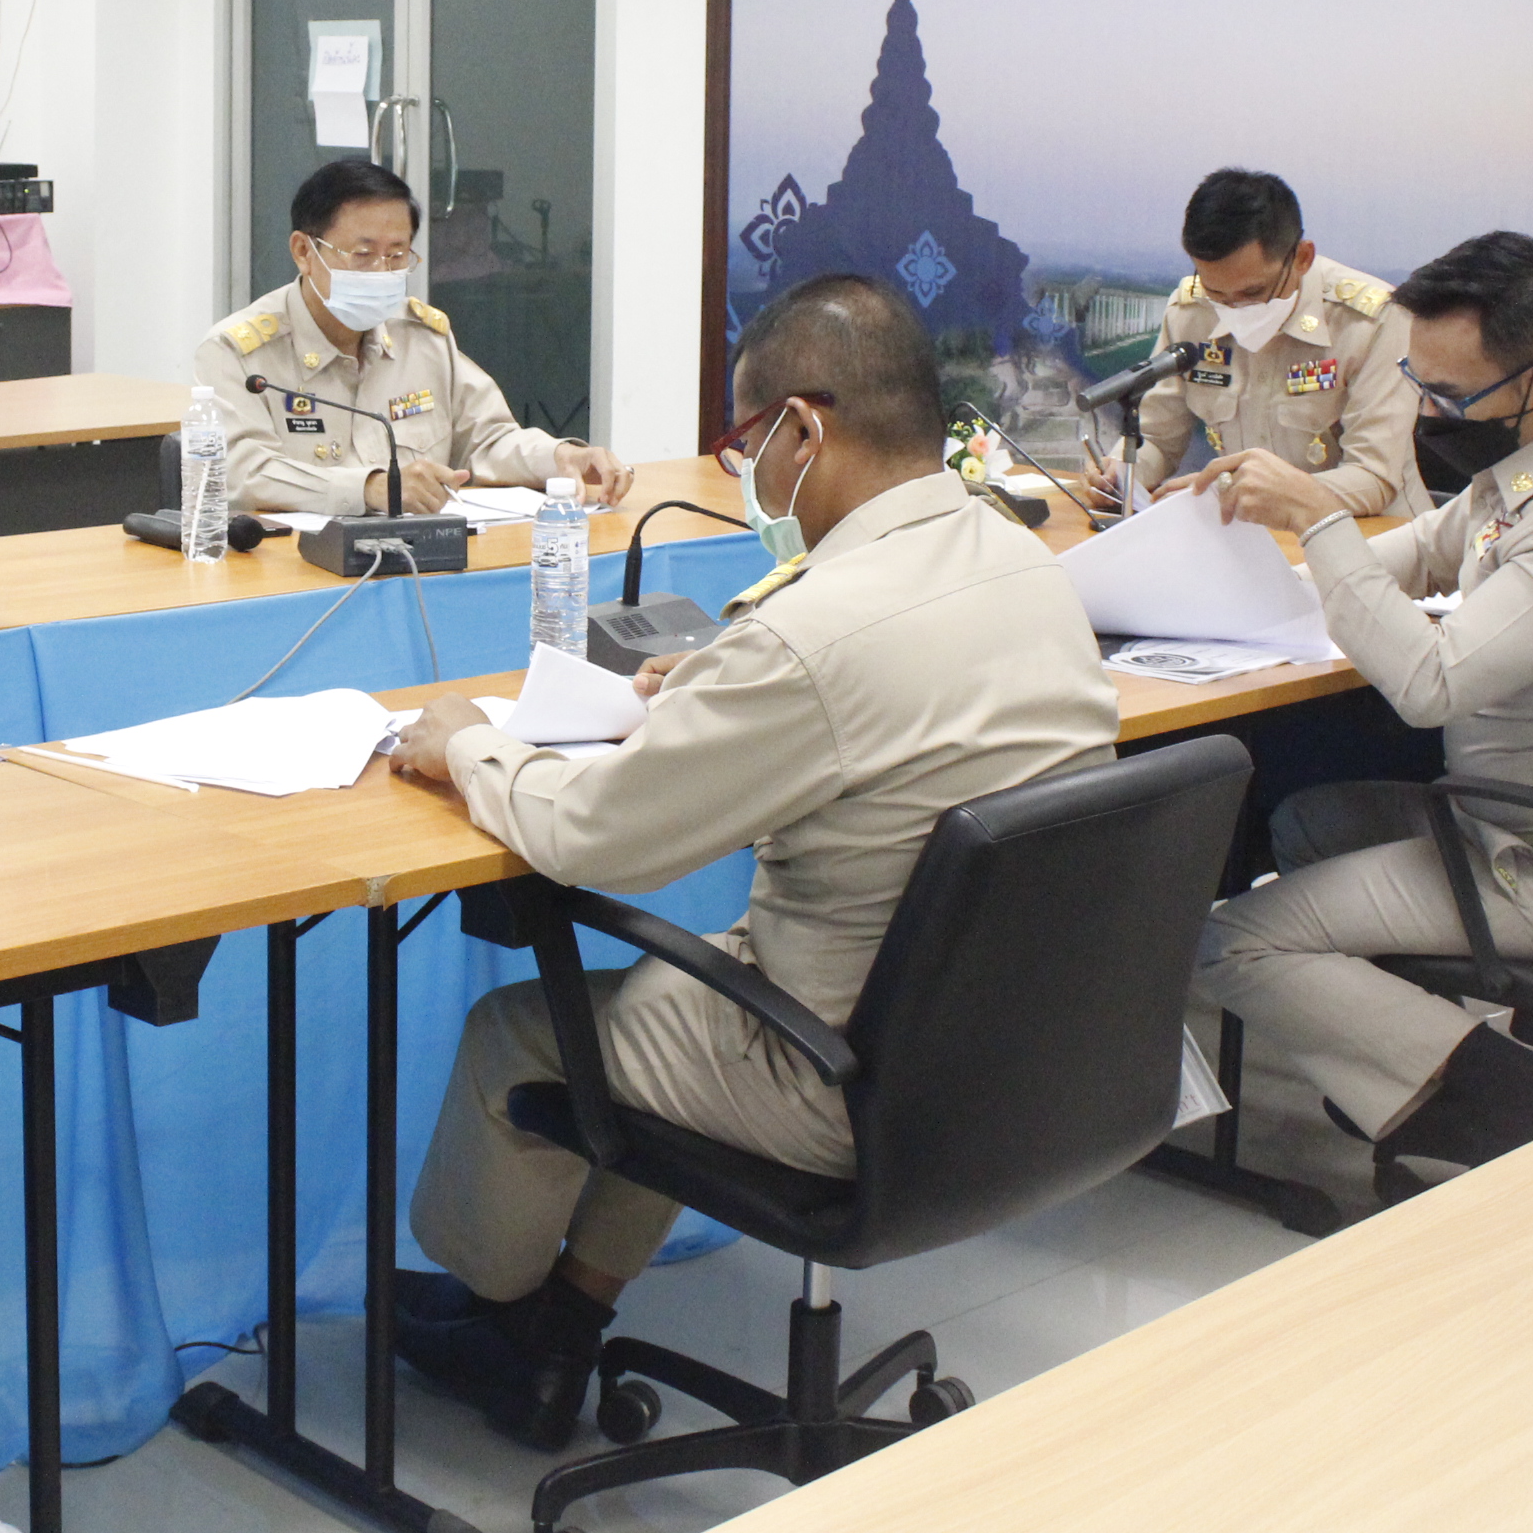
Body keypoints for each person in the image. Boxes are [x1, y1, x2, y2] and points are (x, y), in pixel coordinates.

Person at [382, 274, 1118, 1445]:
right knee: (681, 999)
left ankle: (502, 1317)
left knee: (524, 1034)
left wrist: (474, 751)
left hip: (842, 1076)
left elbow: (594, 834)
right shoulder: (1021, 560)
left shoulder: (810, 633)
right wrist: (726, 690)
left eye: (743, 447)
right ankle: (572, 1318)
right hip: (1018, 1049)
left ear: (804, 430)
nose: (747, 476)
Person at [1185, 231, 1533, 1193]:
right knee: (1307, 818)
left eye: (1450, 397)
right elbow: (1418, 553)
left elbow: (1429, 684)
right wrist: (1248, 569)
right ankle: (1404, 1069)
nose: (1429, 411)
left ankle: (1532, 1116)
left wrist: (1319, 517)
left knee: (1230, 938)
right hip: (1518, 820)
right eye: (1420, 381)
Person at [195, 159, 634, 516]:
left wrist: (559, 458)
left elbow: (485, 440)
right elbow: (240, 474)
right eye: (363, 254)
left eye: (397, 255)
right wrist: (371, 489)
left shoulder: (421, 336)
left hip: (422, 564)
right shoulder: (238, 352)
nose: (383, 272)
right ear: (304, 252)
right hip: (295, 575)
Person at [1102, 168, 1419, 516]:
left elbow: (1373, 479)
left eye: (1253, 292)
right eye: (1217, 293)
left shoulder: (1372, 321)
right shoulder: (1191, 312)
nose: (1236, 308)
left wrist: (1231, 488)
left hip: (1371, 538)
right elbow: (1158, 438)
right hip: (1247, 536)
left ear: (1301, 258)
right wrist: (1121, 473)